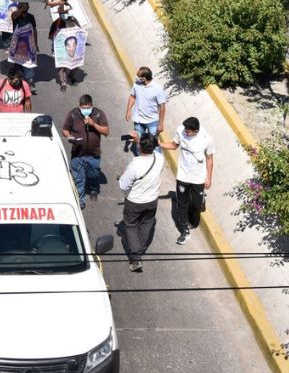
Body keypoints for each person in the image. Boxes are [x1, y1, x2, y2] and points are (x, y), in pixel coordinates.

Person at [160, 117, 214, 245]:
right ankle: (184, 231)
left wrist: (209, 177)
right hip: (183, 175)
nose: (186, 132)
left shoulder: (207, 140)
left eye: (188, 131)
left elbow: (210, 159)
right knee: (182, 204)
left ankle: (200, 201)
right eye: (185, 129)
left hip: (198, 177)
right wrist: (158, 143)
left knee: (196, 205)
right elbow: (174, 145)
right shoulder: (181, 131)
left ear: (196, 131)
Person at [118, 131, 165, 272]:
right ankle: (140, 247)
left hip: (134, 202)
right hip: (152, 200)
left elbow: (123, 185)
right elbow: (151, 149)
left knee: (131, 226)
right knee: (147, 223)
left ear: (140, 148)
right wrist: (140, 141)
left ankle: (136, 257)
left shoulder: (135, 165)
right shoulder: (159, 158)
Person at [63, 94, 110, 209]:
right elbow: (65, 129)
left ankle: (93, 189)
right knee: (78, 179)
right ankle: (80, 200)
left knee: (93, 175)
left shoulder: (99, 114)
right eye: (83, 108)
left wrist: (93, 124)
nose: (85, 110)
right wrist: (69, 137)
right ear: (79, 106)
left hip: (93, 154)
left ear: (92, 106)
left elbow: (106, 131)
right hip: (77, 154)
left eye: (87, 107)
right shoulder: (73, 114)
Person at [124, 66, 168, 140]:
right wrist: (128, 111)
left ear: (144, 78)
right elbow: (132, 96)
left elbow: (162, 107)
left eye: (138, 76)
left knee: (153, 144)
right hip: (138, 120)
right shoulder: (137, 84)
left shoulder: (157, 89)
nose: (136, 77)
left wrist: (160, 124)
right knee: (139, 142)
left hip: (152, 121)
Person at [50, 13, 83, 90]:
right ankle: (63, 83)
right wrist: (57, 31)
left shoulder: (73, 21)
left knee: (75, 64)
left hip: (72, 47)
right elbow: (51, 36)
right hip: (61, 48)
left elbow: (80, 31)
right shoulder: (56, 23)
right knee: (62, 66)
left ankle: (70, 77)